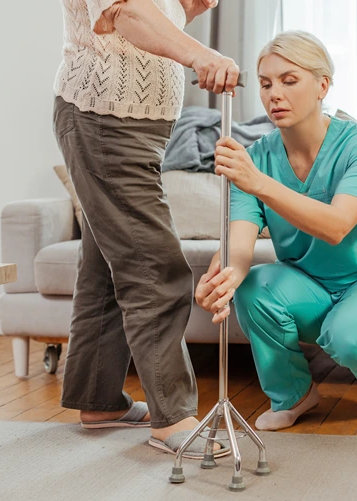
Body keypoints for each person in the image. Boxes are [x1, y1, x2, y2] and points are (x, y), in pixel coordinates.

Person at [195, 31, 357, 431]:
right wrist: (223, 277)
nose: (274, 95)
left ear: (322, 85)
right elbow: (240, 242)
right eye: (265, 84)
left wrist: (258, 182)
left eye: (289, 80)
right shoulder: (257, 158)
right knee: (253, 286)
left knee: (349, 332)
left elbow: (336, 227)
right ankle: (294, 394)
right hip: (309, 286)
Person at [53, 0, 238, 458]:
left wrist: (184, 5)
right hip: (104, 121)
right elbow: (124, 13)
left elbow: (156, 17)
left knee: (107, 268)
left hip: (136, 129)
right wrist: (200, 55)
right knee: (154, 266)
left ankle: (99, 402)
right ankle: (173, 418)